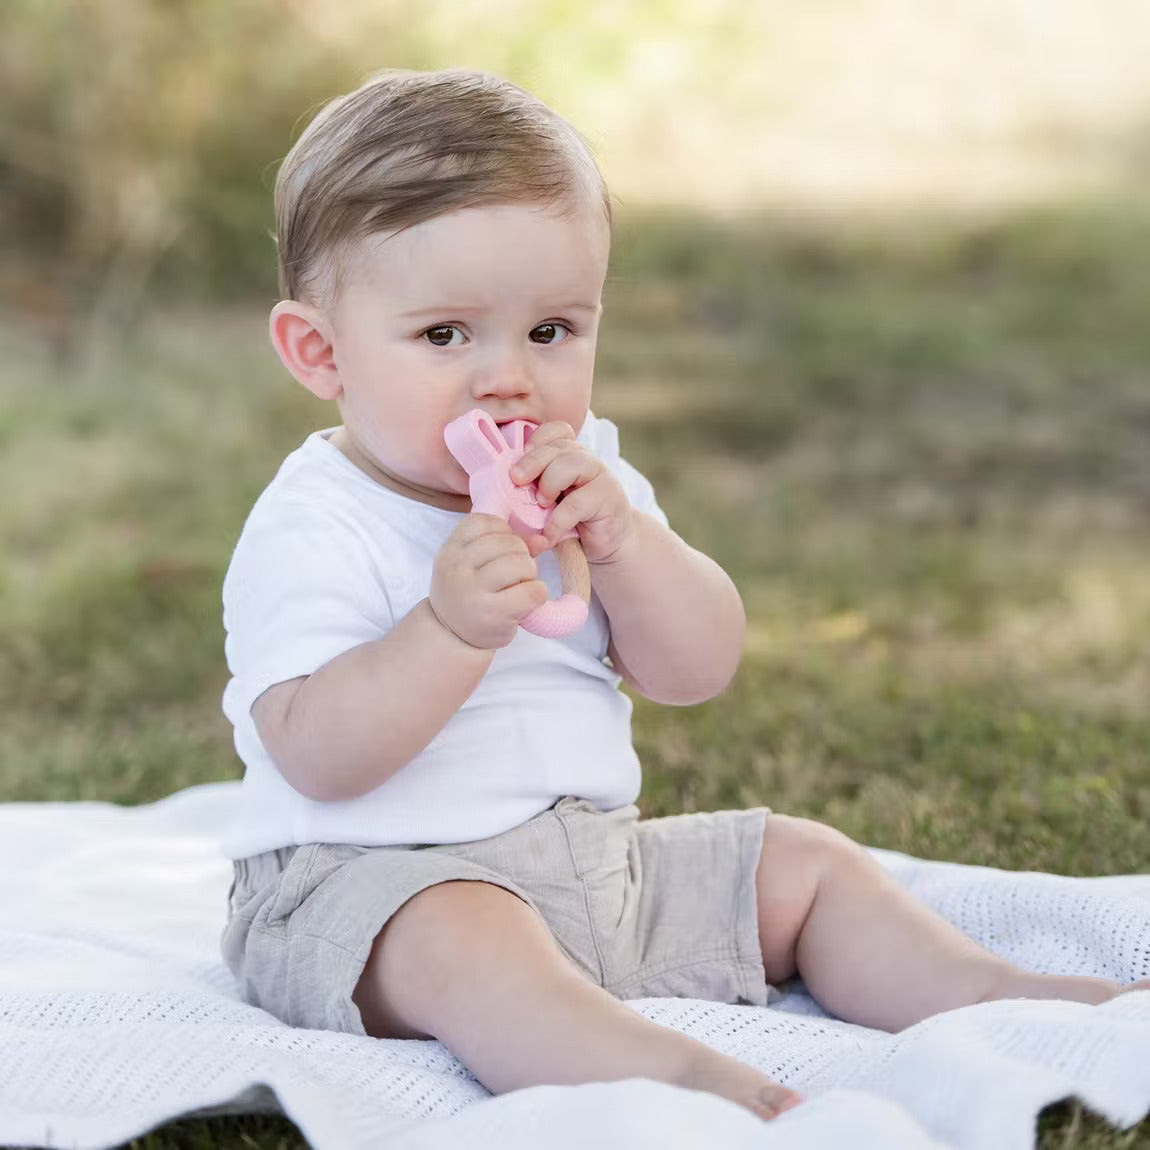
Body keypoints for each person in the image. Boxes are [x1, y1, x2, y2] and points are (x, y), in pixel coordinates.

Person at [219, 68, 1146, 1122]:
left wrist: (626, 544)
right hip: (370, 890)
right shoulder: (317, 520)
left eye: (552, 331)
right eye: (445, 336)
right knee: (469, 940)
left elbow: (695, 670)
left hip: (593, 867)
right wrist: (444, 630)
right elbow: (316, 754)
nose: (508, 377)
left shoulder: (586, 477)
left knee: (805, 864)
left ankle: (1001, 997)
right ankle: (689, 1083)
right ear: (319, 352)